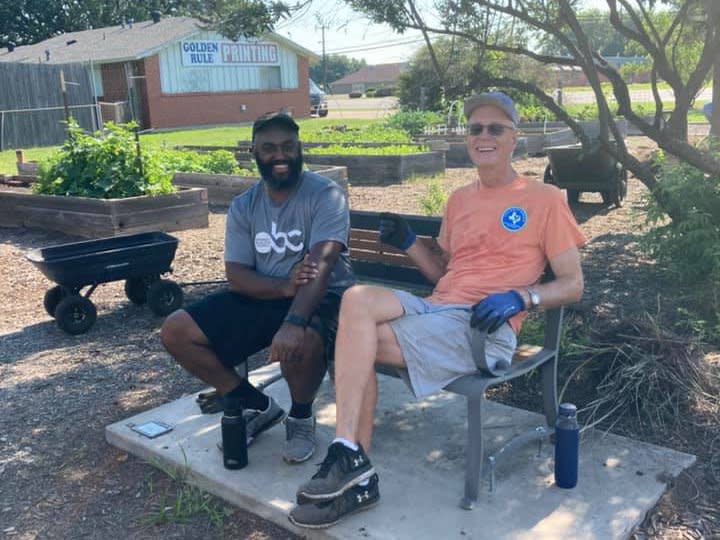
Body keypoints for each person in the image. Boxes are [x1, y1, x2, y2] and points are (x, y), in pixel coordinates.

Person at [289, 92, 587, 528]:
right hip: (436, 309)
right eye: (475, 128)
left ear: (514, 139)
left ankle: (353, 466)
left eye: (495, 128)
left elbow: (573, 284)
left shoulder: (544, 200)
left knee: (355, 340)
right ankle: (351, 457)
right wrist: (409, 241)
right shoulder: (459, 200)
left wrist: (523, 298)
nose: (483, 136)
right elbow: (442, 274)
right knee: (356, 301)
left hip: (484, 327)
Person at [160, 112, 354, 464]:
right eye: (269, 148)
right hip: (268, 292)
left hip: (322, 295)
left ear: (300, 148)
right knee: (176, 330)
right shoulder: (244, 205)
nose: (280, 155)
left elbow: (321, 265)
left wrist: (293, 322)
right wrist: (282, 287)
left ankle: (300, 416)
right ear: (254, 152)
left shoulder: (327, 195)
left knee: (304, 339)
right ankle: (256, 404)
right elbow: (236, 274)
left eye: (288, 146)